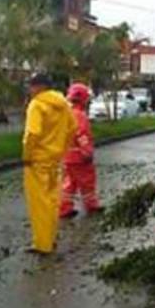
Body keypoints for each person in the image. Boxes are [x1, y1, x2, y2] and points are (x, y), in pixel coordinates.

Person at [22, 74, 77, 254]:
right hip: (55, 159)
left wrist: (27, 156)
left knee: (39, 203)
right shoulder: (63, 105)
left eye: (31, 86)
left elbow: (33, 134)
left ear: (39, 87)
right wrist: (62, 150)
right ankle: (51, 238)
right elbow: (72, 129)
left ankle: (42, 244)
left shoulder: (37, 105)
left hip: (37, 160)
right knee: (53, 200)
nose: (29, 90)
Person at [60, 82, 103, 219]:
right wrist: (87, 152)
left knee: (69, 184)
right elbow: (81, 135)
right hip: (79, 157)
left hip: (67, 156)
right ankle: (92, 205)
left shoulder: (66, 113)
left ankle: (64, 208)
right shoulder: (79, 115)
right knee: (87, 182)